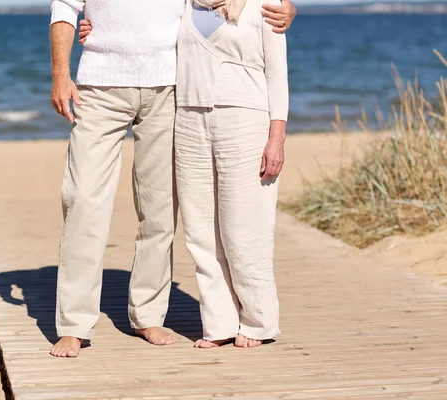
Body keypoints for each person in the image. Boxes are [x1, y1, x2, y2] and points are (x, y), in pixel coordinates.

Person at [49, 0, 296, 358]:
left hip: (168, 89)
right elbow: (64, 7)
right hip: (99, 86)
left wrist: (288, 8)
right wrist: (61, 73)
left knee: (160, 209)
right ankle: (74, 324)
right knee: (83, 201)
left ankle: (148, 314)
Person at [174, 0, 289, 348]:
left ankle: (257, 321)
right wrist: (92, 30)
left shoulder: (265, 4)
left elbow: (277, 72)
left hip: (244, 120)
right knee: (201, 231)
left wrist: (277, 138)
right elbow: (142, 33)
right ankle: (219, 324)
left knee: (244, 228)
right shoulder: (180, 5)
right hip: (188, 118)